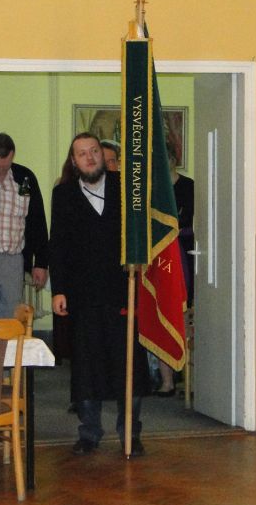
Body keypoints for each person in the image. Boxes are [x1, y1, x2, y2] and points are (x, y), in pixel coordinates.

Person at [50, 132, 151, 455]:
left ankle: (130, 434)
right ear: (74, 161)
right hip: (82, 297)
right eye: (82, 154)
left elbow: (144, 233)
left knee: (128, 365)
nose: (90, 158)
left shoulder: (127, 189)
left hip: (123, 292)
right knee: (86, 368)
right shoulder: (63, 194)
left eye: (94, 151)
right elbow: (58, 245)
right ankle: (89, 433)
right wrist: (58, 290)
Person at [0, 132, 49, 318]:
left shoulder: (24, 178)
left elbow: (37, 220)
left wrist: (41, 263)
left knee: (12, 317)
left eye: (6, 166)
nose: (1, 172)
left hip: (14, 261)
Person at [151, 134, 194, 397]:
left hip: (187, 256)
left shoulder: (189, 187)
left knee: (186, 316)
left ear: (173, 159)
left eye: (165, 158)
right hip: (161, 259)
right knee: (162, 313)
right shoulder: (152, 189)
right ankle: (167, 380)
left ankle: (190, 380)